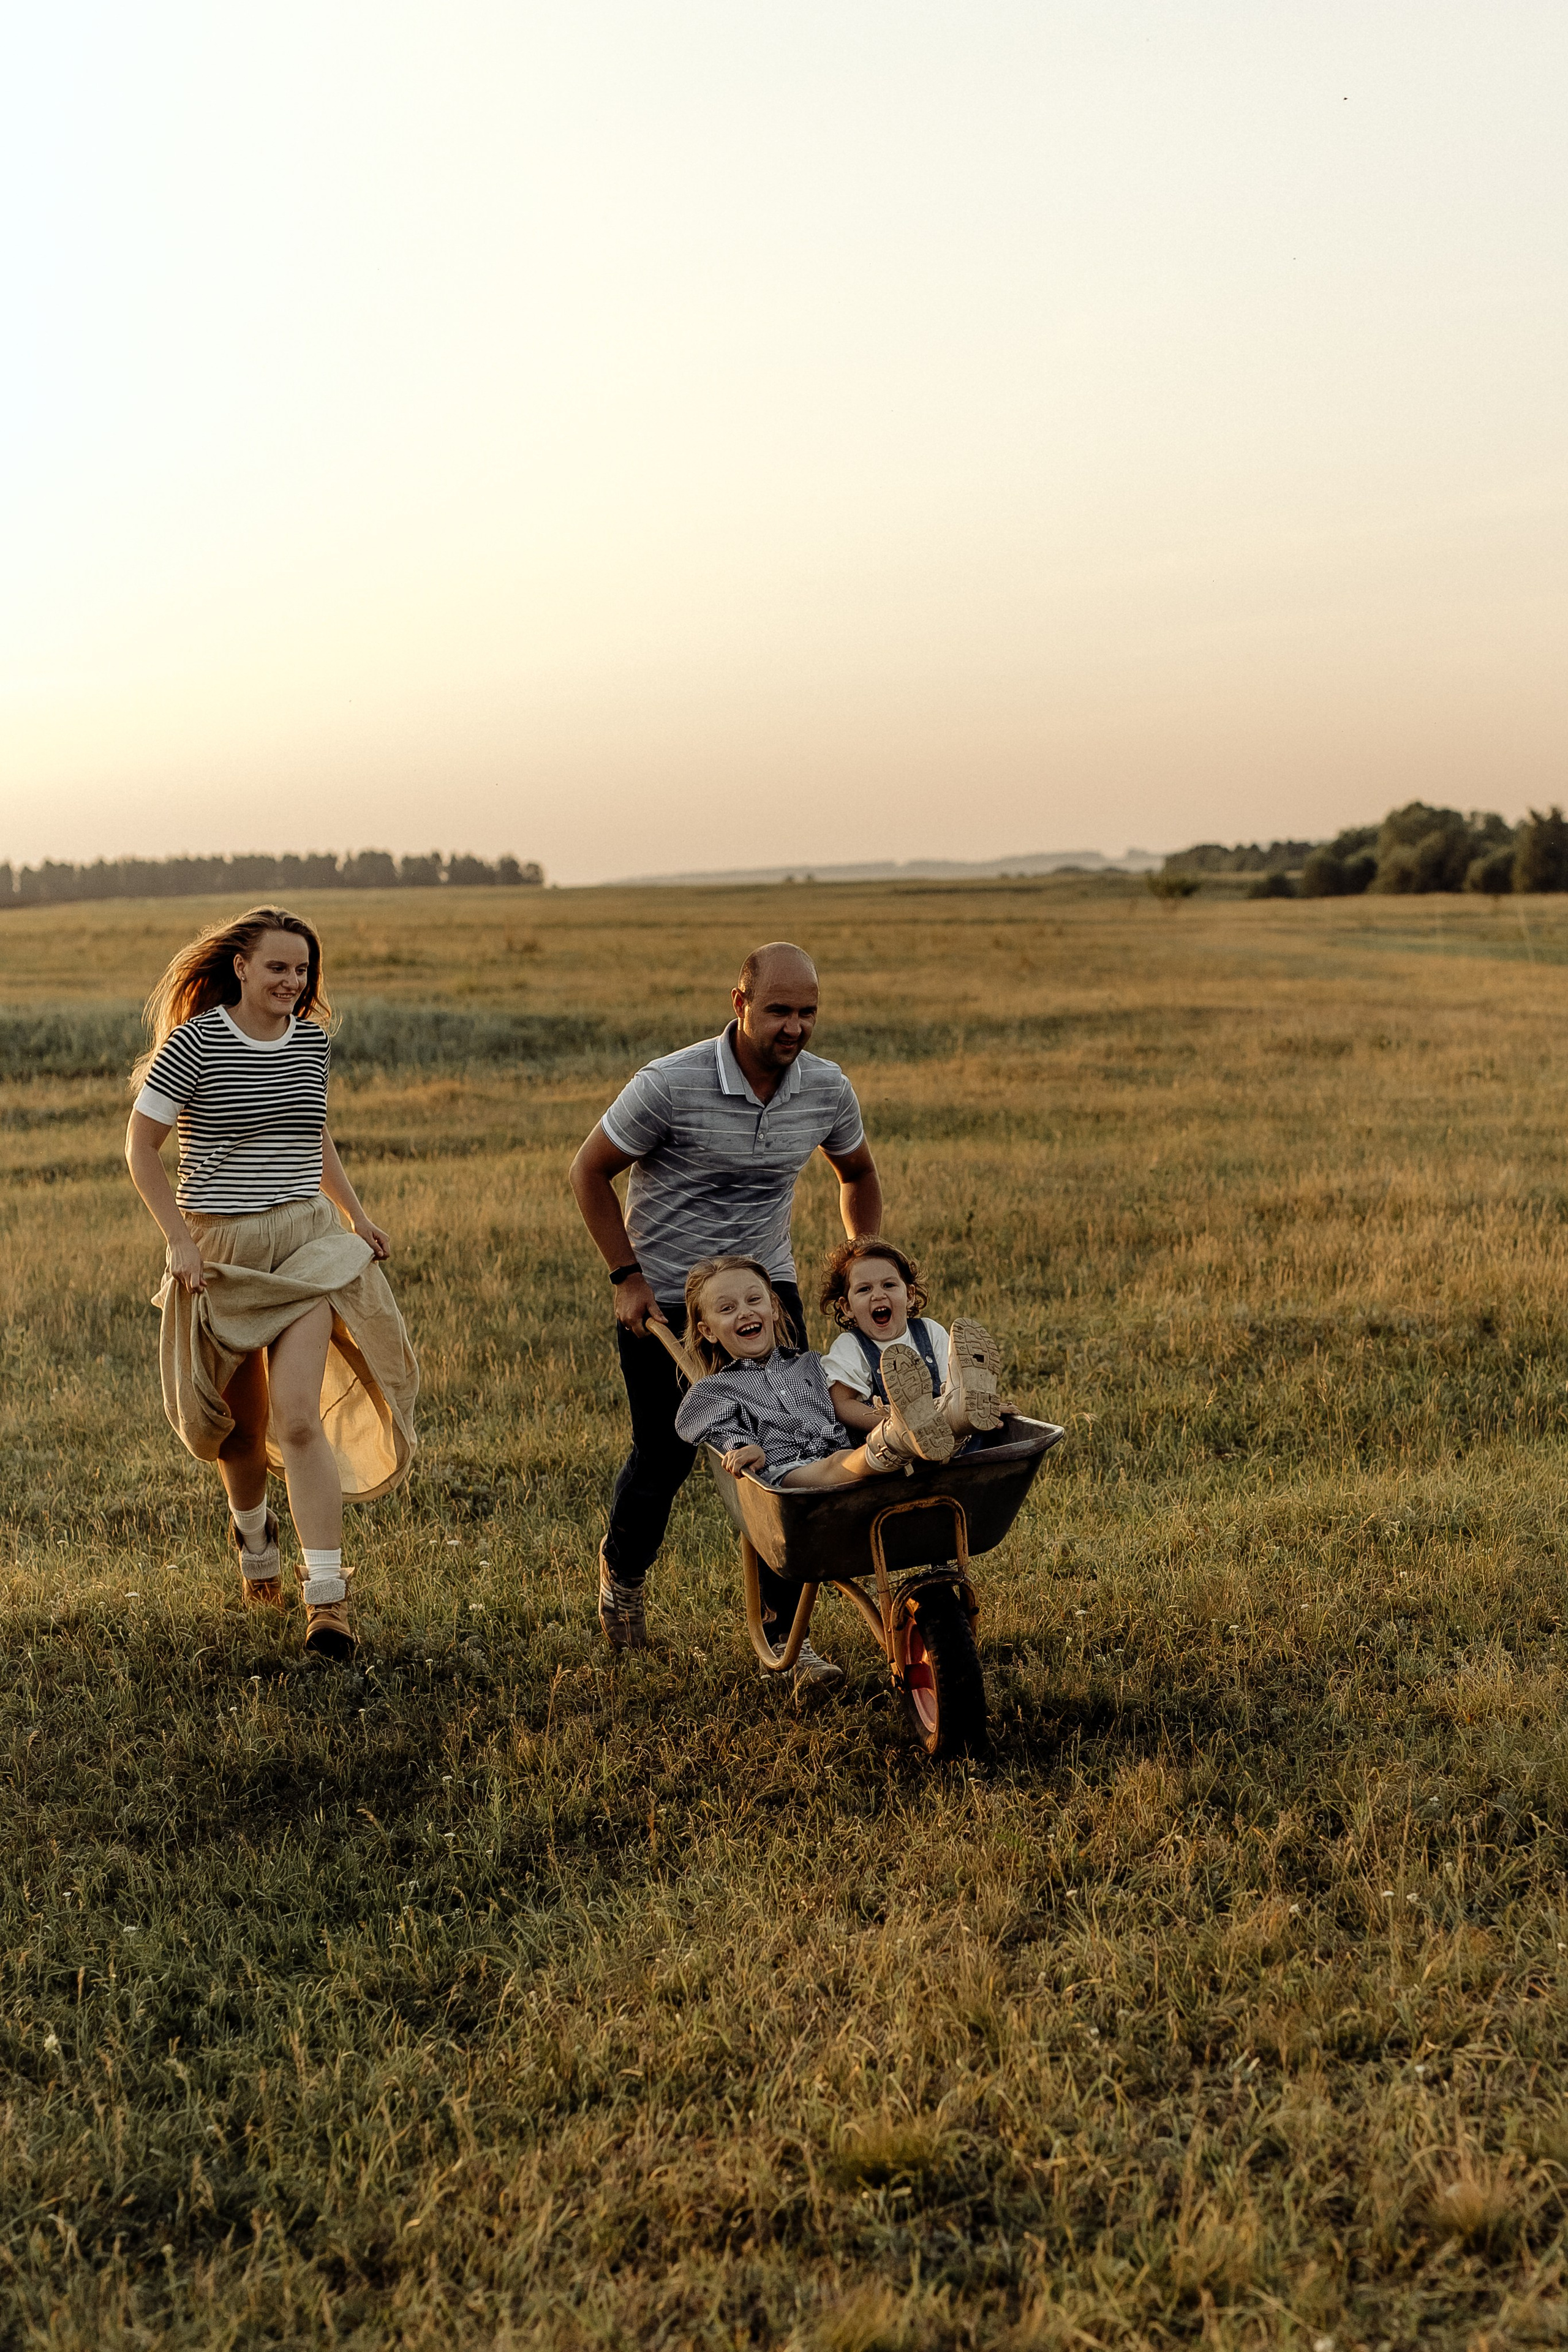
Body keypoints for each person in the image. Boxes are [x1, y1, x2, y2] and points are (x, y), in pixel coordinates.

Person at [568, 941, 881, 1686]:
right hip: (671, 1299)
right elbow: (588, 1171)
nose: (795, 1027)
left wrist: (858, 1260)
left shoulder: (825, 1089)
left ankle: (785, 1637)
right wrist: (626, 1276)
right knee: (666, 1454)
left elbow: (858, 1171)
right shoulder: (669, 1085)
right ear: (739, 1005)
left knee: (796, 1453)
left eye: (808, 1012)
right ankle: (623, 1576)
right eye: (779, 1010)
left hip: (766, 1292)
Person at [125, 907, 419, 1660]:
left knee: (297, 1418)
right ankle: (255, 1540)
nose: (293, 982)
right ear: (242, 969)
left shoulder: (311, 1043)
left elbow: (312, 1131)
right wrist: (179, 1241)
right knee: (241, 1434)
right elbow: (142, 1146)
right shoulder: (195, 1043)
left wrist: (355, 1216)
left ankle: (328, 1602)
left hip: (305, 1241)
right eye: (279, 968)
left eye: (303, 970)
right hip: (221, 1249)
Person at [674, 1254, 1001, 1490]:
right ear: (708, 1331)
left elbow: (847, 1403)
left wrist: (882, 1412)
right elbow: (703, 1429)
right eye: (727, 1309)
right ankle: (900, 1438)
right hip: (788, 1474)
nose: (745, 1312)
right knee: (840, 1462)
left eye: (754, 1300)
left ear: (773, 1308)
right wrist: (743, 1447)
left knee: (850, 1455)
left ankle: (953, 1415)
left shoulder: (814, 1364)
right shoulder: (714, 1390)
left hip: (851, 1457)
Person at [818, 1235, 1005, 1455]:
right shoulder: (851, 1346)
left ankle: (967, 1416)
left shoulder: (929, 1332)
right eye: (864, 1290)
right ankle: (940, 1427)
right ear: (847, 1306)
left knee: (965, 1413)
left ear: (909, 1295)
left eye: (889, 1285)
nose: (878, 1295)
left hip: (944, 1429)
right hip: (892, 1447)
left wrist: (982, 1406)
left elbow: (949, 1386)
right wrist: (894, 1425)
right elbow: (842, 1404)